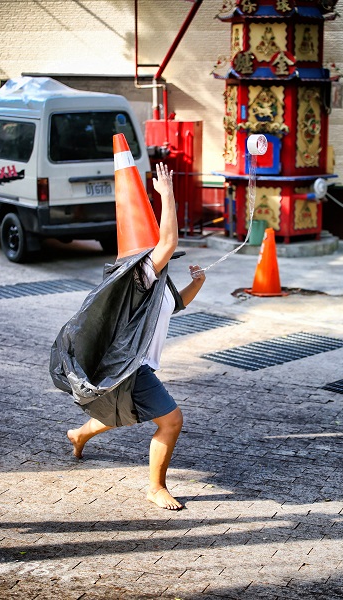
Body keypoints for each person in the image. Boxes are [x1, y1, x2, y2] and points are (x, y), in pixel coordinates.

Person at [64, 163, 206, 510]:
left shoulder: (157, 280)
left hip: (133, 366)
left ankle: (79, 434)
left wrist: (197, 284)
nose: (167, 254)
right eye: (158, 250)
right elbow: (169, 240)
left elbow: (171, 306)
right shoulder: (138, 273)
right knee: (171, 421)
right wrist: (167, 194)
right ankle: (155, 487)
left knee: (123, 410)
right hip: (131, 365)